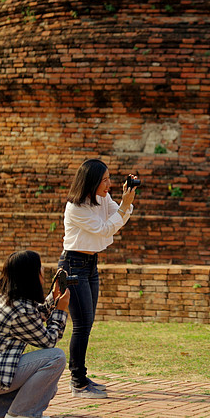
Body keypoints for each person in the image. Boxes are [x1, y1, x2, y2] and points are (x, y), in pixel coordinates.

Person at [59, 159, 137, 398]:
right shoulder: (76, 207)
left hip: (90, 265)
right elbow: (105, 228)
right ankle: (77, 382)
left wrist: (125, 202)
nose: (109, 184)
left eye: (109, 178)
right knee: (82, 325)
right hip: (73, 265)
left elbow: (119, 218)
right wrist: (124, 206)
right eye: (104, 179)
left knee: (87, 324)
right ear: (91, 181)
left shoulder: (103, 199)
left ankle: (81, 376)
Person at [0, 250, 70, 418]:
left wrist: (53, 297)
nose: (43, 271)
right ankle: (21, 415)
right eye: (40, 268)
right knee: (56, 358)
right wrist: (61, 310)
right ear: (31, 274)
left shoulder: (6, 297)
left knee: (48, 386)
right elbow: (49, 340)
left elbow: (34, 317)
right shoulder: (19, 309)